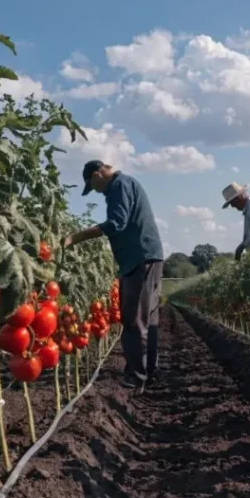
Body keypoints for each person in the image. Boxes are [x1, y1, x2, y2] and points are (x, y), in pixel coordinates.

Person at [64, 160, 164, 390]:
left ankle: (136, 376)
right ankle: (149, 372)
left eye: (93, 186)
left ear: (98, 174)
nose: (96, 192)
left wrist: (75, 237)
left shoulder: (119, 185)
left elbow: (117, 223)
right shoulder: (127, 184)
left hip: (139, 258)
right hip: (147, 256)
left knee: (134, 320)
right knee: (148, 319)